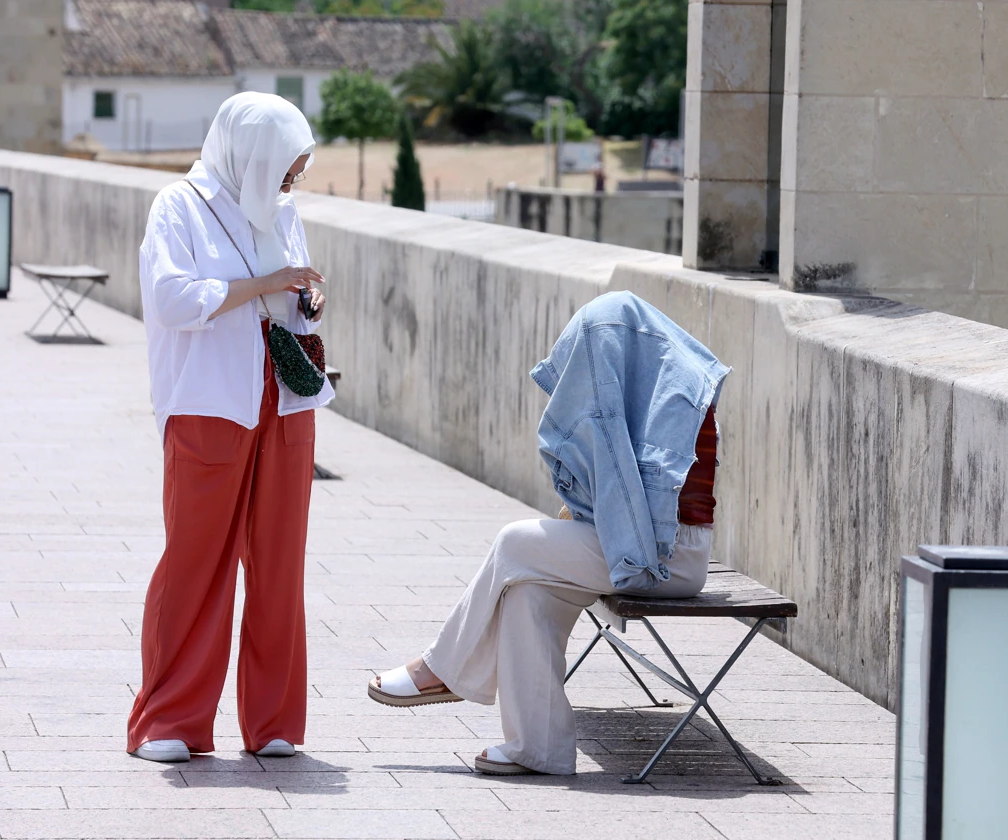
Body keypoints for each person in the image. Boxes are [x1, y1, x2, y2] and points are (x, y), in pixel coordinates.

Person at [368, 292, 729, 776]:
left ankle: (443, 668)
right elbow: (614, 496)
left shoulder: (679, 400)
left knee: (515, 542)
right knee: (528, 590)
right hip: (628, 545)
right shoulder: (653, 379)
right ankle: (538, 749)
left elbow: (651, 512)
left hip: (667, 558)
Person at [126, 92, 333, 763]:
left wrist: (306, 295)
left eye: (295, 174)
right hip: (208, 402)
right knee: (196, 563)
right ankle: (168, 721)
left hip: (286, 404)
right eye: (284, 170)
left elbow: (290, 300)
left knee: (279, 565)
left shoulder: (281, 210)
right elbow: (172, 298)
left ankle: (272, 722)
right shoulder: (178, 207)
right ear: (252, 154)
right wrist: (264, 281)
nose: (289, 184)